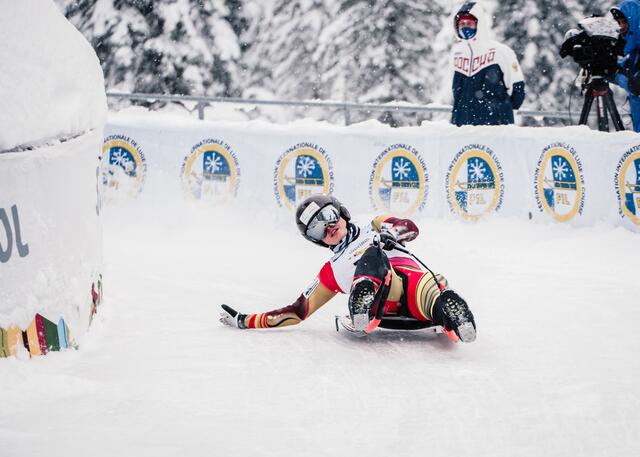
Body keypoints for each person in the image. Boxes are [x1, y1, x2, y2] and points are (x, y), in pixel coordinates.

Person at [219, 194, 476, 343]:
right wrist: (246, 320)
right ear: (317, 240)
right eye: (317, 229)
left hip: (413, 284)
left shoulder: (374, 226)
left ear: (342, 212)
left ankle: (451, 313)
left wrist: (392, 233)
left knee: (428, 287)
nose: (328, 227)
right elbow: (298, 311)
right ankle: (363, 298)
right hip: (386, 294)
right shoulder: (331, 271)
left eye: (329, 216)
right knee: (372, 256)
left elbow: (410, 227)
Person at [450, 2, 526, 126]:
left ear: (479, 24)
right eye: (461, 24)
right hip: (463, 126)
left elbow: (518, 89)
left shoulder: (500, 51)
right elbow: (456, 92)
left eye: (469, 23)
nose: (465, 27)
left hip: (495, 127)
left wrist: (501, 110)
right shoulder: (457, 53)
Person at [611, 2, 640, 132]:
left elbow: (635, 85)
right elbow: (627, 75)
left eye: (624, 22)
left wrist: (613, 73)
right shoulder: (635, 52)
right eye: (619, 23)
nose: (621, 27)